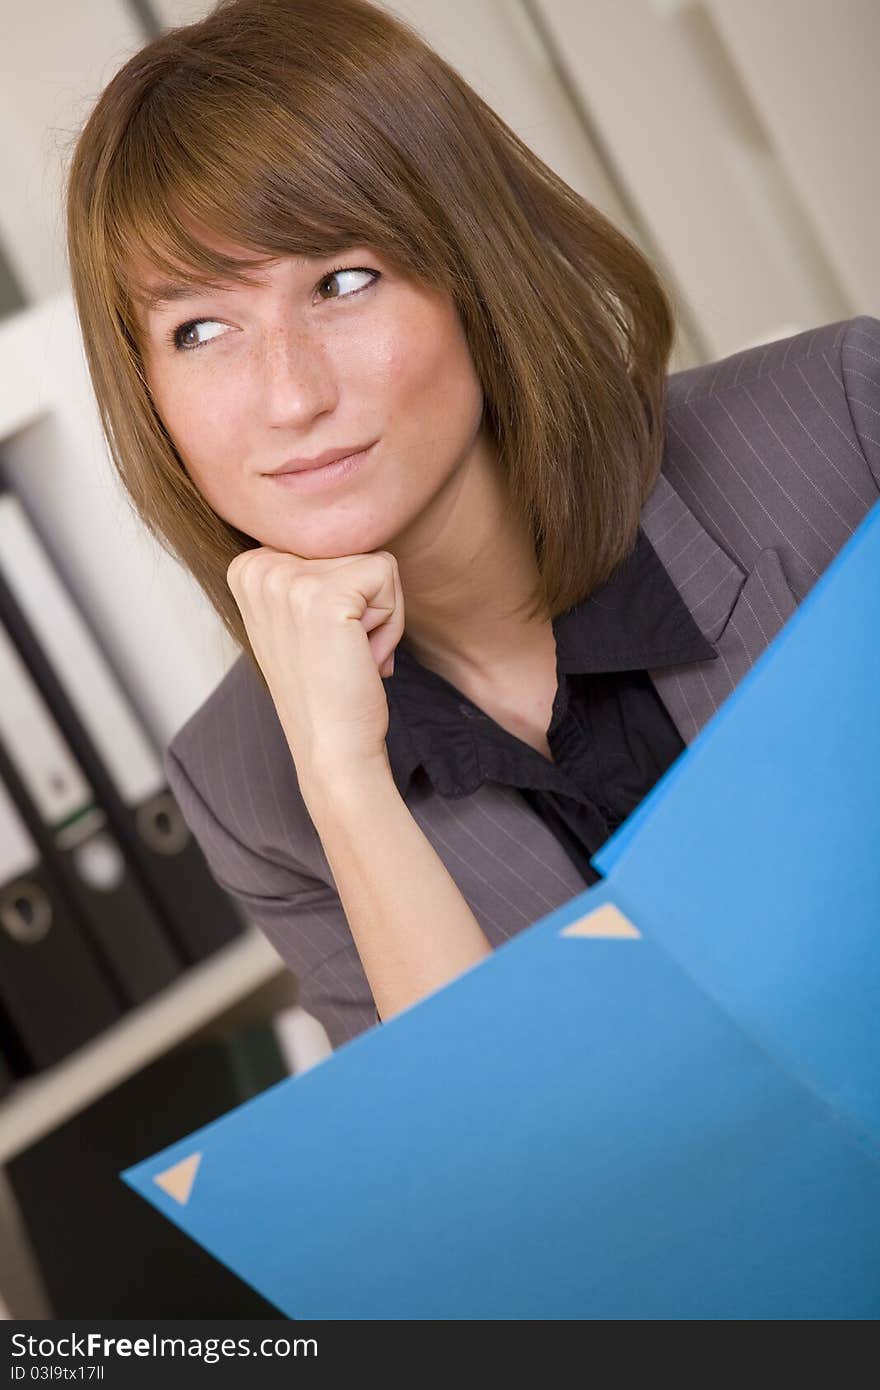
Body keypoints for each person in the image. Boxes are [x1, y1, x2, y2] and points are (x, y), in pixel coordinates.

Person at [64, 0, 880, 1048]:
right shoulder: (248, 787)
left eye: (342, 280)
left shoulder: (841, 433)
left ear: (475, 272)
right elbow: (506, 1173)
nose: (288, 397)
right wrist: (349, 788)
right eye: (201, 328)